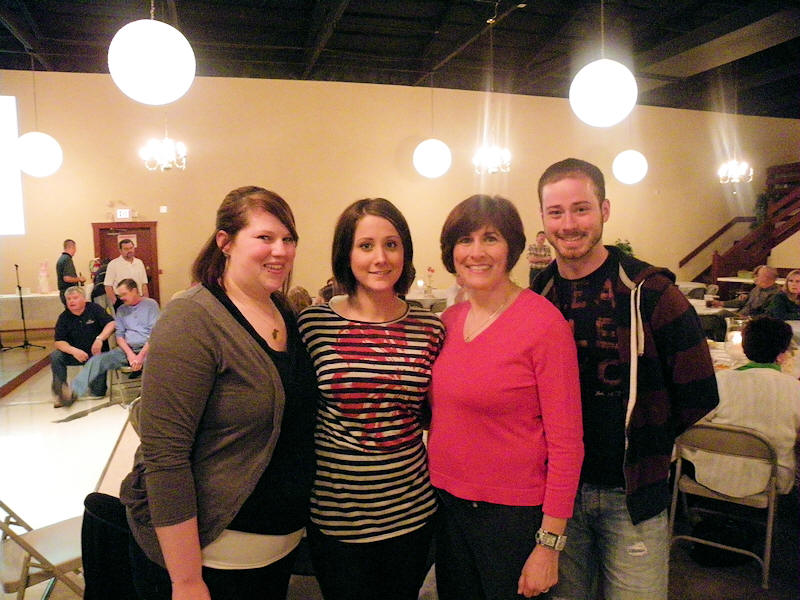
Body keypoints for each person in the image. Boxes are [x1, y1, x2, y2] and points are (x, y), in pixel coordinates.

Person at [531, 158, 719, 600]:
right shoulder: (538, 296)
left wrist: (648, 439)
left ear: (605, 210)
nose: (568, 224)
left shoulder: (650, 292)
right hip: (558, 494)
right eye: (556, 212)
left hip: (631, 494)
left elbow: (699, 393)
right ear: (543, 219)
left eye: (581, 209)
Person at [120, 186, 318, 600]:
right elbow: (165, 456)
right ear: (225, 243)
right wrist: (186, 580)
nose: (280, 250)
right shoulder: (192, 318)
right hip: (214, 558)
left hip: (277, 550)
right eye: (264, 237)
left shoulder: (283, 311)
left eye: (288, 239)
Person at [428, 194, 583, 600]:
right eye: (465, 240)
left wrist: (549, 545)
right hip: (447, 506)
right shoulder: (448, 322)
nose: (476, 252)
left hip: (512, 518)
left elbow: (567, 445)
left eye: (490, 238)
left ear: (511, 248)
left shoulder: (543, 324)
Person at [297, 198, 444, 600]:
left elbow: (438, 410)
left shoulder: (429, 328)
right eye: (365, 245)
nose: (380, 258)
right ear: (346, 254)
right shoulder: (314, 324)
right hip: (335, 518)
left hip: (411, 513)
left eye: (391, 244)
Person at [684, 316, 800, 497]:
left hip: (710, 472)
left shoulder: (719, 381)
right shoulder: (794, 388)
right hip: (769, 480)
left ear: (744, 348)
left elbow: (692, 423)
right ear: (783, 353)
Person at [66, 279, 159, 402]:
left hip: (148, 349)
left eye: (124, 294)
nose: (121, 298)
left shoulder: (150, 305)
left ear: (134, 291)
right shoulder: (121, 310)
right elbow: (119, 336)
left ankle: (150, 396)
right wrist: (130, 355)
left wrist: (140, 356)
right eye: (119, 295)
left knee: (159, 363)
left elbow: (155, 334)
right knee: (97, 360)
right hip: (127, 350)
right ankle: (73, 392)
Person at [50, 286, 115, 407]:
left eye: (75, 298)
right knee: (56, 355)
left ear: (84, 299)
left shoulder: (94, 309)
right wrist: (73, 351)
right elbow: (58, 342)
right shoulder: (64, 317)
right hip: (76, 355)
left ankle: (88, 384)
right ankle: (62, 393)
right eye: (69, 299)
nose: (71, 301)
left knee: (98, 393)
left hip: (96, 355)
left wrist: (100, 339)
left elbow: (111, 323)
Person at [711, 264, 780, 316]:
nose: (754, 278)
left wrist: (745, 318)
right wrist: (721, 303)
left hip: (750, 321)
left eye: (757, 275)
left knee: (721, 314)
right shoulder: (757, 289)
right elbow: (742, 302)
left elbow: (767, 315)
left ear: (766, 277)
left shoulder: (776, 294)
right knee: (713, 316)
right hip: (740, 317)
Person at [104, 238, 149, 308]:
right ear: (120, 250)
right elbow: (108, 286)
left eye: (131, 248)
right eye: (126, 249)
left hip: (138, 299)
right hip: (122, 300)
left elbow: (144, 283)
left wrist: (146, 300)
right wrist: (114, 301)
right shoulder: (113, 264)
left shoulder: (139, 263)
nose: (130, 251)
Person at [56, 239, 86, 304]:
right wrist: (79, 279)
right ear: (72, 247)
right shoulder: (67, 259)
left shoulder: (61, 259)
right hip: (69, 293)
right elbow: (67, 278)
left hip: (64, 292)